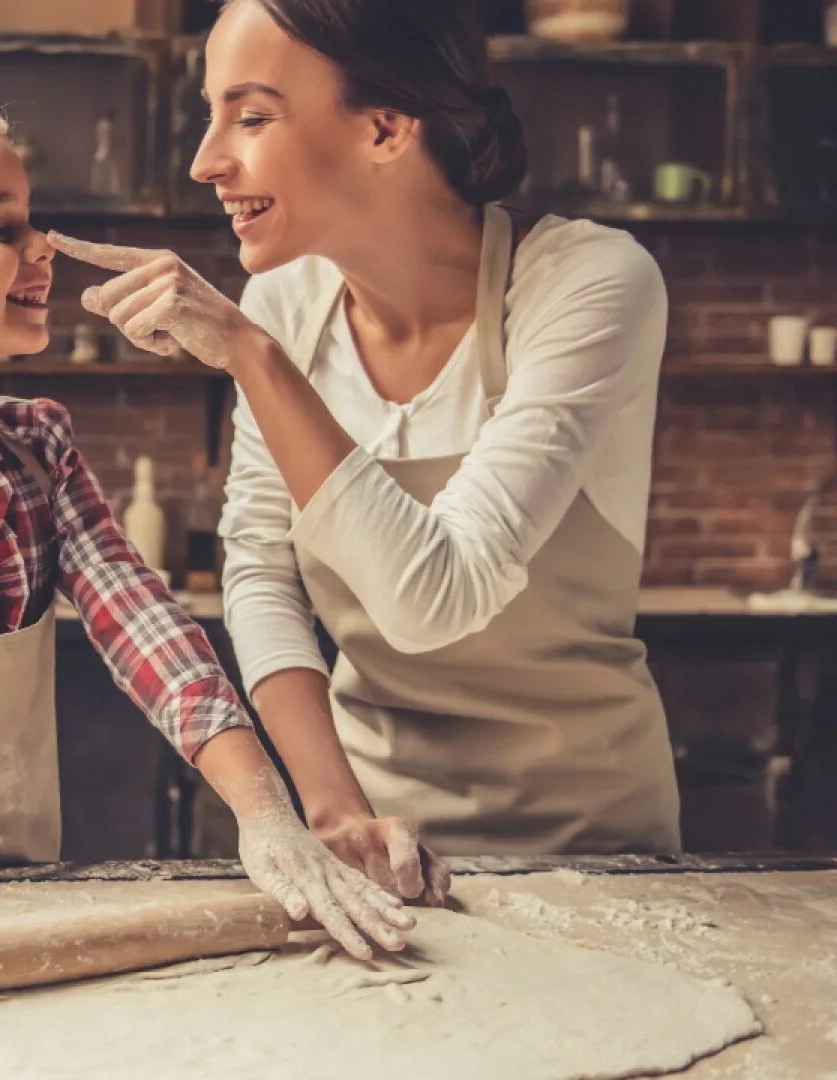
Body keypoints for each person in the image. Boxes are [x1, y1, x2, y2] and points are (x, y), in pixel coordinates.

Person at [0, 84, 414, 1064]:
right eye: (0, 228)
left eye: (33, 222)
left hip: (25, 910)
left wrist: (270, 820)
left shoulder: (35, 448)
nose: (42, 249)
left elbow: (147, 626)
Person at [56, 0, 680, 903]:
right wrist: (334, 809)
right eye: (210, 113)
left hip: (596, 848)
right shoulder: (283, 305)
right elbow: (262, 568)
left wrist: (249, 355)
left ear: (385, 128)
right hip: (382, 841)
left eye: (253, 116)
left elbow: (439, 595)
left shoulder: (585, 285)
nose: (207, 160)